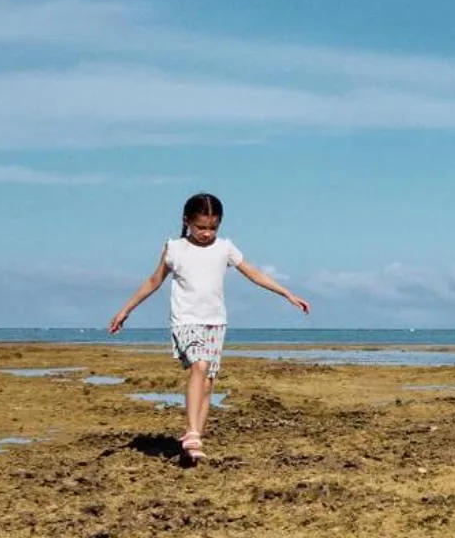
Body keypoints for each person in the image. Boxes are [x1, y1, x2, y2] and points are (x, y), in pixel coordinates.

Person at [107, 191, 310, 462]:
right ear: (187, 222)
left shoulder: (225, 248)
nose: (206, 233)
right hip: (185, 321)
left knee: (207, 383)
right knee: (199, 366)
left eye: (212, 227)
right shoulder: (175, 249)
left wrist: (287, 294)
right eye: (201, 227)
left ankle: (194, 442)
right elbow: (153, 281)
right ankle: (191, 431)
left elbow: (253, 273)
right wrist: (125, 310)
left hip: (216, 322)